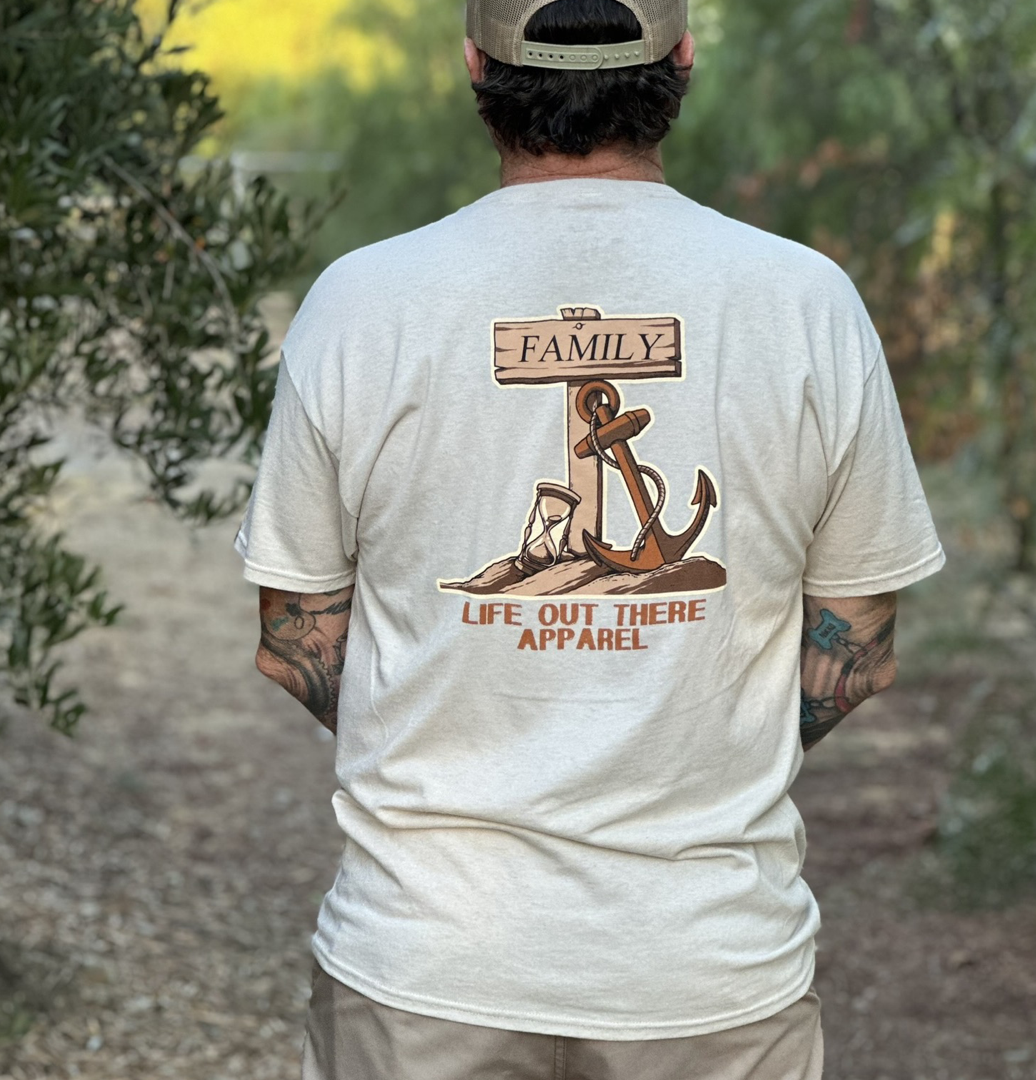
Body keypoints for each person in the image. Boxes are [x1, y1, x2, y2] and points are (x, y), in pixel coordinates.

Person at [234, 0, 946, 1076]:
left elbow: (296, 633)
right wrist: (693, 733)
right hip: (710, 972)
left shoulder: (361, 304)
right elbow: (858, 646)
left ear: (474, 65)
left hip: (429, 966)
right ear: (683, 61)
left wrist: (454, 706)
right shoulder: (805, 303)